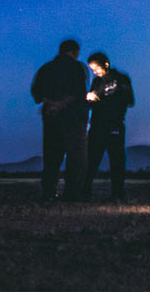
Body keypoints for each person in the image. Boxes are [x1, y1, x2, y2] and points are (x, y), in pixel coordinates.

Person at [30, 39, 89, 201]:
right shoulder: (77, 67)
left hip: (50, 117)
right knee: (76, 157)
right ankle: (72, 194)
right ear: (75, 52)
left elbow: (36, 93)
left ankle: (49, 192)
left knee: (51, 156)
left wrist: (50, 103)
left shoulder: (45, 68)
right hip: (73, 118)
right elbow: (79, 92)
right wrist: (61, 104)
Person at [82, 52, 135, 201]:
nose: (94, 72)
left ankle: (117, 193)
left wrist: (101, 99)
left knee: (116, 160)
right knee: (91, 159)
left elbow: (130, 101)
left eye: (96, 68)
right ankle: (85, 191)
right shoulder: (96, 82)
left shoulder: (121, 79)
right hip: (97, 125)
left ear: (106, 64)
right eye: (92, 69)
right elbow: (91, 103)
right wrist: (89, 99)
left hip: (114, 125)